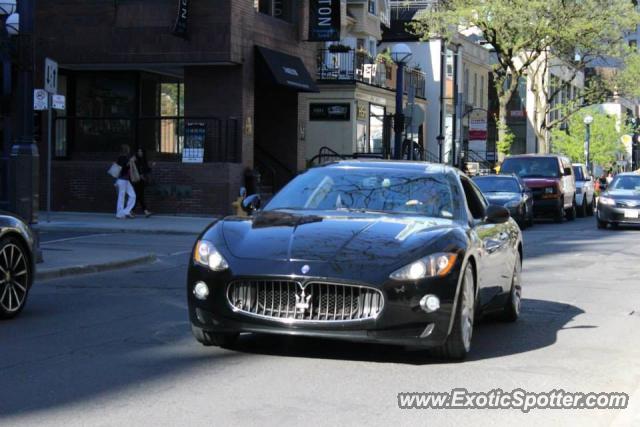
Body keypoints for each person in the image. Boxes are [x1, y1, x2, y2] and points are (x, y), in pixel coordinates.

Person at [115, 145, 136, 219]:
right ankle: (120, 214)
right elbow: (124, 167)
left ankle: (124, 212)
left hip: (124, 180)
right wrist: (131, 161)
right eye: (128, 149)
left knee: (132, 195)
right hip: (122, 180)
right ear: (126, 150)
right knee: (122, 196)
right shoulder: (123, 158)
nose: (129, 150)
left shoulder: (120, 158)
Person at [133, 148, 153, 217]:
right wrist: (140, 175)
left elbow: (147, 170)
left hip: (142, 180)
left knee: (140, 196)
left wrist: (151, 166)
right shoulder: (135, 160)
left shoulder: (144, 161)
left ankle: (145, 211)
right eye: (138, 151)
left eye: (141, 151)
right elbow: (134, 169)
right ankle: (132, 210)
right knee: (138, 195)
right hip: (137, 180)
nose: (140, 152)